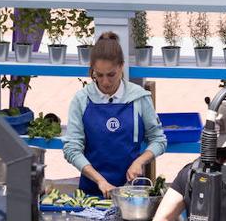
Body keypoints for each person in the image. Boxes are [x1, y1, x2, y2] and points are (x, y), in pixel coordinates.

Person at [62, 32, 167, 197]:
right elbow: (71, 149)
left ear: (121, 66)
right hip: (91, 192)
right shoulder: (81, 100)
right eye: (99, 75)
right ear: (93, 71)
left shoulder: (139, 97)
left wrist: (139, 162)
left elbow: (159, 140)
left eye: (111, 74)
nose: (105, 82)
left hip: (132, 192)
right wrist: (100, 181)